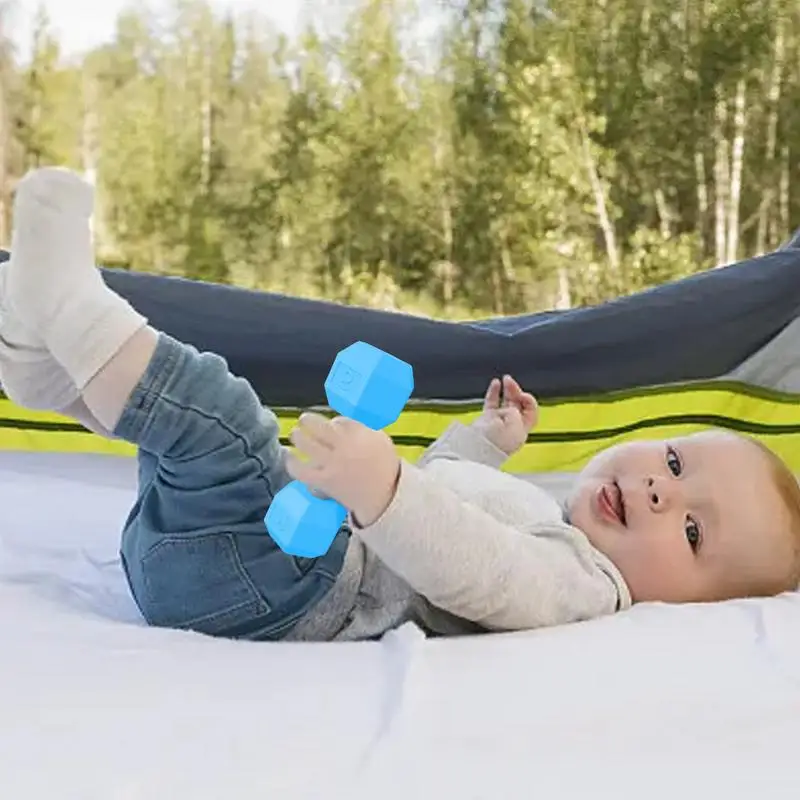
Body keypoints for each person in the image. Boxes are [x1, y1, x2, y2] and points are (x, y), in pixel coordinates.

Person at [1, 167, 799, 644]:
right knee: (188, 446)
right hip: (230, 565)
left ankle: (76, 318)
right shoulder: (555, 519)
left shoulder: (584, 586)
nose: (663, 490)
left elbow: (482, 570)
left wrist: (384, 490)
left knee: (223, 418)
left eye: (693, 531)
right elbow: (451, 491)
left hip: (281, 588)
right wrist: (488, 439)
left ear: (688, 607)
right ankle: (55, 378)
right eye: (673, 459)